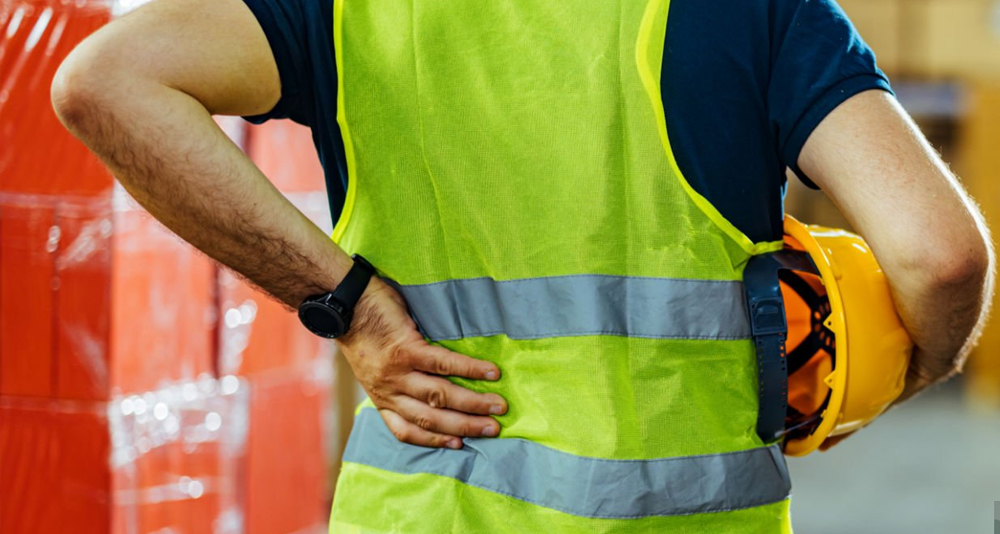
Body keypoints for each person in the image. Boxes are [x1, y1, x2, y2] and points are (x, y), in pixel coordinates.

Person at [51, 0, 994, 531]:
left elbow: (105, 82)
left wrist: (347, 304)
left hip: (415, 513)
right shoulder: (758, 13)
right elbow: (939, 256)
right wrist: (909, 369)